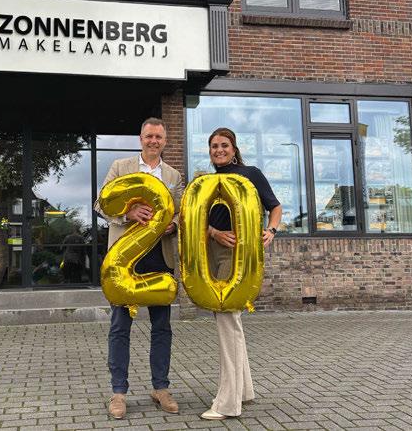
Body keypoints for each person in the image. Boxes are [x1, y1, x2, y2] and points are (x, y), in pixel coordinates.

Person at [94, 117, 183, 419]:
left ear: (165, 141)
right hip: (125, 261)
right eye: (149, 136)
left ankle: (161, 388)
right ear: (140, 138)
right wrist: (128, 213)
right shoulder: (121, 167)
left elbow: (180, 212)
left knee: (162, 327)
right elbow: (100, 204)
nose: (153, 141)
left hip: (160, 258)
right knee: (120, 327)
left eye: (158, 137)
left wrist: (172, 225)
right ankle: (118, 393)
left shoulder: (173, 175)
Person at [201, 127, 282, 421]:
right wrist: (214, 232)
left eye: (224, 145)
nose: (219, 150)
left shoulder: (250, 174)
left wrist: (271, 230)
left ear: (234, 149)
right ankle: (244, 391)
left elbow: (275, 207)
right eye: (214, 146)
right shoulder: (207, 181)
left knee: (227, 318)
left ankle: (227, 403)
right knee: (229, 320)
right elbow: (199, 221)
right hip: (211, 252)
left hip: (237, 255)